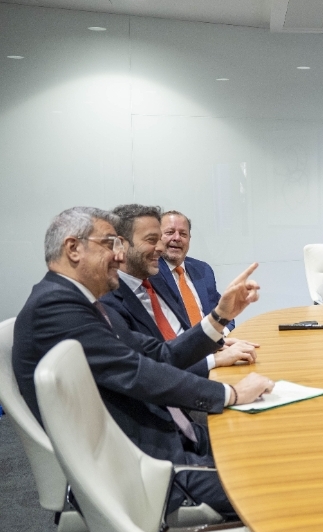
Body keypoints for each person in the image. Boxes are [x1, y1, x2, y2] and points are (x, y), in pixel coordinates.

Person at [13, 207, 274, 515]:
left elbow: (159, 355)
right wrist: (231, 394)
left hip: (167, 440)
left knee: (273, 449)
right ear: (73, 248)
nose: (119, 255)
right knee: (275, 486)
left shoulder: (81, 302)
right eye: (109, 244)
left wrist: (220, 316)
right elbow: (138, 373)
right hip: (147, 471)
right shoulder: (56, 307)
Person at [101, 205, 257, 376]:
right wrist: (214, 361)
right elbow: (147, 368)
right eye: (152, 240)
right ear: (120, 244)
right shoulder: (106, 301)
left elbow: (180, 337)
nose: (161, 247)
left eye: (183, 234)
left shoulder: (156, 280)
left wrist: (213, 342)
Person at [155, 209, 235, 332]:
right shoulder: (151, 273)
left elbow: (223, 313)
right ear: (157, 237)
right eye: (170, 232)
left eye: (183, 234)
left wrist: (220, 337)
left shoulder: (203, 270)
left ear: (189, 239)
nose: (177, 238)